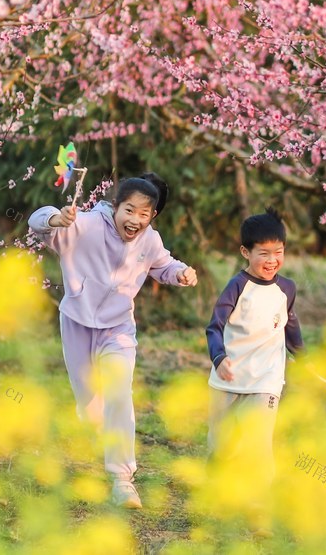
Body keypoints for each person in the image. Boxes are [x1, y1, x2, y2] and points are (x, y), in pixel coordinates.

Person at [28, 173, 197, 509]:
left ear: (152, 217)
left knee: (119, 393)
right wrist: (55, 218)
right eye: (129, 210)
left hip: (118, 329)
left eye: (144, 214)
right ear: (115, 206)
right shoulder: (85, 225)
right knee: (90, 409)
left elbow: (163, 264)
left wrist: (180, 273)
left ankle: (122, 479)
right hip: (77, 323)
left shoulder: (149, 240)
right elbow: (37, 223)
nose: (135, 220)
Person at [204, 207, 304, 490]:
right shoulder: (236, 287)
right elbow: (214, 327)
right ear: (245, 252)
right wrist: (219, 358)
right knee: (221, 444)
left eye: (279, 252)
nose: (272, 260)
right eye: (264, 253)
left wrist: (305, 359)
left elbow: (291, 326)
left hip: (266, 380)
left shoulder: (287, 288)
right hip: (228, 378)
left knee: (259, 442)